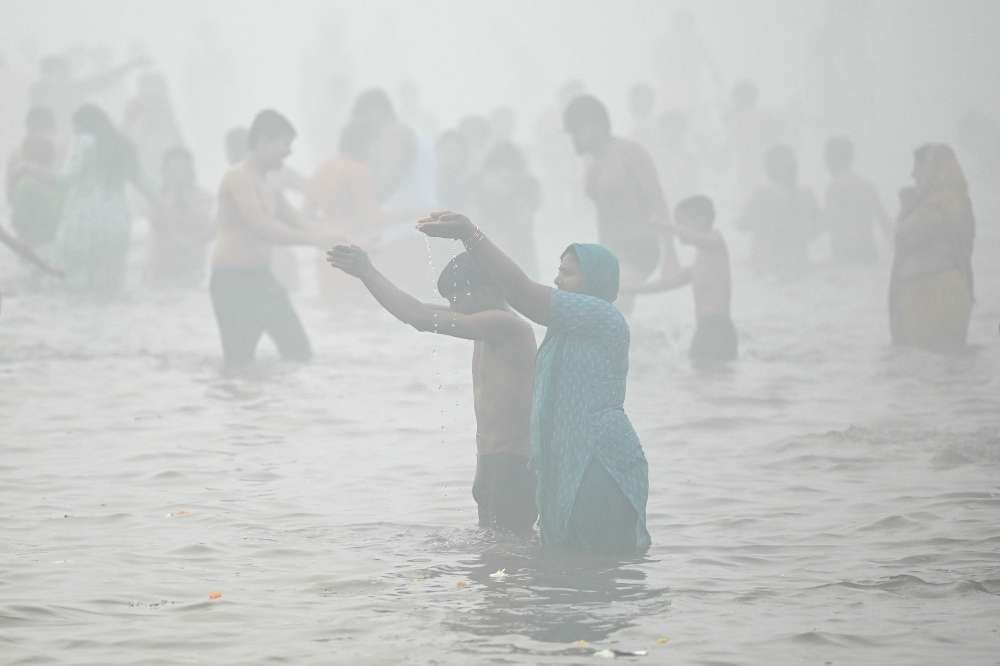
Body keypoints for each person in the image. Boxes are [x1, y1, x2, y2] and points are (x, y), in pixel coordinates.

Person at [417, 212, 651, 552]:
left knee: (596, 565)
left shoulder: (602, 315)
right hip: (565, 462)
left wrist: (470, 233)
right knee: (563, 568)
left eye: (567, 273)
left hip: (599, 462)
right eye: (557, 271)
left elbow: (519, 291)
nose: (557, 281)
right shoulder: (563, 332)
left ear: (596, 280)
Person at [327, 247, 538, 534]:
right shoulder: (482, 324)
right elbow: (417, 311)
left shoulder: (506, 325)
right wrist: (368, 276)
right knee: (491, 562)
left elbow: (420, 317)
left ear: (484, 290)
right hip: (490, 464)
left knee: (509, 560)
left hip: (511, 468)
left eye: (457, 298)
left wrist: (367, 272)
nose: (454, 308)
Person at [209, 109, 333, 374]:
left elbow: (304, 223)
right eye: (285, 144)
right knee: (239, 364)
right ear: (263, 142)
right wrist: (316, 240)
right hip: (232, 283)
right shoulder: (237, 177)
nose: (289, 152)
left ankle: (284, 409)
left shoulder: (270, 187)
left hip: (262, 279)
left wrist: (353, 242)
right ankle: (241, 411)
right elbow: (261, 227)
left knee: (299, 353)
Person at [563, 94, 678, 314]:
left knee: (614, 308)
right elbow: (602, 215)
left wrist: (671, 255)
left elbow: (658, 201)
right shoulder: (591, 162)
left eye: (579, 132)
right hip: (613, 248)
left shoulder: (630, 153)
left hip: (642, 244)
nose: (575, 140)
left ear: (597, 125)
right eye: (572, 133)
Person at [53, 104, 156, 293]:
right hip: (117, 223)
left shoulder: (83, 142)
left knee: (78, 285)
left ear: (82, 126)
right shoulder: (124, 146)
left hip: (83, 222)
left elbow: (67, 178)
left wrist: (40, 173)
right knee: (111, 285)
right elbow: (148, 185)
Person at [625, 196, 737, 362]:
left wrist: (667, 226)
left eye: (680, 221)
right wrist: (622, 288)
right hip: (705, 329)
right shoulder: (697, 265)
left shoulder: (716, 240)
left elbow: (701, 239)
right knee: (704, 381)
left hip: (717, 328)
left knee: (711, 379)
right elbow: (661, 285)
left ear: (700, 222)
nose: (678, 227)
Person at [889, 144, 975, 354]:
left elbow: (904, 237)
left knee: (926, 364)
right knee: (949, 362)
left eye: (918, 168)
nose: (913, 174)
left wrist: (907, 209)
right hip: (949, 291)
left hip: (931, 296)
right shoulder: (959, 203)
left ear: (934, 169)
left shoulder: (938, 206)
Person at [302, 119, 383, 306]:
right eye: (375, 144)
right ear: (366, 146)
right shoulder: (359, 171)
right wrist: (411, 215)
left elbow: (305, 215)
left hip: (327, 253)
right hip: (356, 252)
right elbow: (372, 218)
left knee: (334, 313)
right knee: (359, 313)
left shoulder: (323, 169)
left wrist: (329, 228)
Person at [737, 144, 820, 278]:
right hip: (798, 264)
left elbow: (741, 224)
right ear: (794, 168)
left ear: (769, 170)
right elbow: (816, 229)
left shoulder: (760, 197)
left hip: (766, 266)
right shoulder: (806, 195)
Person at [467, 142, 542, 280]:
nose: (500, 180)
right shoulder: (477, 193)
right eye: (496, 172)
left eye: (507, 177)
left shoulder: (525, 193)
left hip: (518, 258)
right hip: (485, 258)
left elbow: (524, 223)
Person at [146, 147, 214, 287]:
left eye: (184, 171)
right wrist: (171, 200)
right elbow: (153, 223)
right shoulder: (155, 198)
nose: (179, 176)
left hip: (193, 273)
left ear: (192, 173)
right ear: (164, 173)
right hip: (160, 272)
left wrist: (187, 201)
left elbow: (208, 227)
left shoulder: (203, 198)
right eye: (173, 171)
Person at [821, 137, 891, 264]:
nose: (826, 162)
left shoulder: (834, 189)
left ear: (838, 158)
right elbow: (885, 223)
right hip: (868, 255)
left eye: (828, 157)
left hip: (845, 257)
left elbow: (826, 222)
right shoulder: (868, 187)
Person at [6, 107, 66, 252]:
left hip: (31, 234)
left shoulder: (18, 154)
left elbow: (11, 196)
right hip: (60, 232)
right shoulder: (64, 149)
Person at [436, 130, 471, 211]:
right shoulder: (419, 182)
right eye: (445, 150)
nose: (447, 157)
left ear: (462, 160)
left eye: (454, 153)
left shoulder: (462, 194)